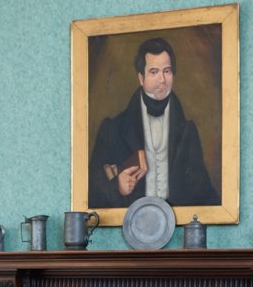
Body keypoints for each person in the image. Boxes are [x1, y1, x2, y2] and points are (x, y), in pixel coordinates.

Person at [88, 37, 220, 209]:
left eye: (167, 71)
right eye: (154, 72)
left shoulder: (188, 131)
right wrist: (117, 187)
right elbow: (90, 191)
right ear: (141, 78)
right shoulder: (112, 130)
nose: (162, 80)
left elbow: (203, 192)